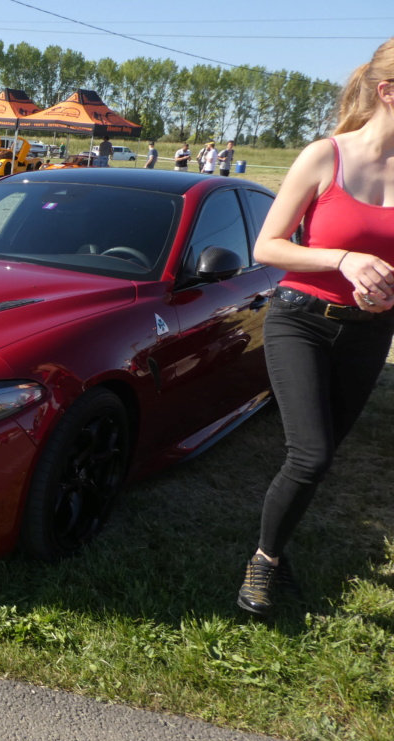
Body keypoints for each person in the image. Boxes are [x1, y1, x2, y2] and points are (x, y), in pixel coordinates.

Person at [237, 37, 394, 617]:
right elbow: (266, 246)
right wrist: (342, 259)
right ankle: (262, 563)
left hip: (370, 331)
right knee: (312, 455)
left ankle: (278, 549)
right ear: (387, 92)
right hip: (299, 320)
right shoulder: (324, 156)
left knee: (322, 454)